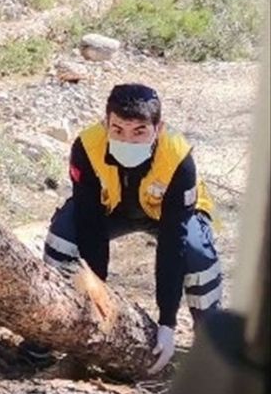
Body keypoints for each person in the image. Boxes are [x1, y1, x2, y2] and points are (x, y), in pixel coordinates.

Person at [38, 83, 222, 375]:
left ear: (158, 129)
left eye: (139, 131)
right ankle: (45, 335)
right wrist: (97, 298)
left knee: (197, 254)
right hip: (112, 211)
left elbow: (174, 241)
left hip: (168, 217)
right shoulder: (86, 147)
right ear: (105, 124)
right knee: (63, 236)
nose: (127, 139)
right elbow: (90, 226)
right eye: (118, 129)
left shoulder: (178, 158)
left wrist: (167, 324)